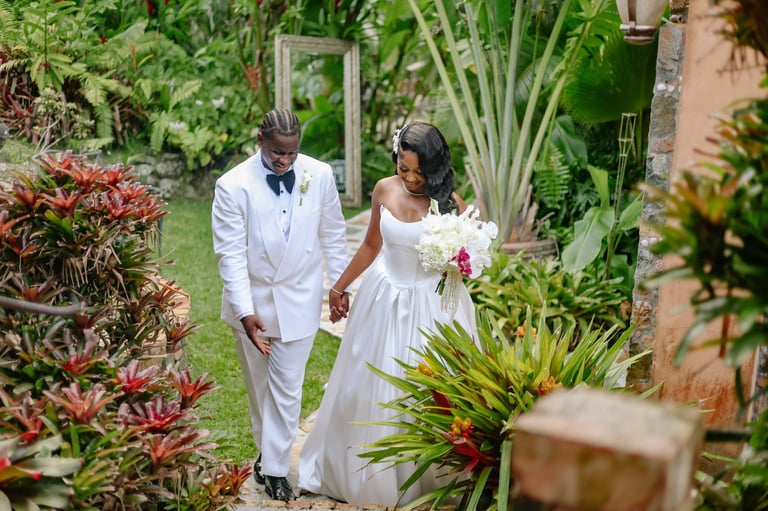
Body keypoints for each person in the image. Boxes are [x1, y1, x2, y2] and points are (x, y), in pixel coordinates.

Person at [298, 121, 477, 506]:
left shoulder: (451, 204)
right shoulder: (384, 190)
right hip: (385, 301)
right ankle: (370, 477)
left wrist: (463, 262)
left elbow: (467, 262)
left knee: (427, 393)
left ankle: (432, 478)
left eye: (420, 171)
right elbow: (369, 245)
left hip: (433, 308)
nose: (412, 179)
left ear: (436, 166)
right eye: (403, 169)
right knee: (368, 388)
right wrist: (339, 286)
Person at [212, 108, 348, 502]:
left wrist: (339, 288)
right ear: (260, 142)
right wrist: (244, 310)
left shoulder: (319, 175)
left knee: (287, 388)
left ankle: (273, 469)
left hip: (300, 300)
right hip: (251, 305)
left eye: (291, 153)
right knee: (261, 392)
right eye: (276, 153)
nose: (284, 160)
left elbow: (334, 234)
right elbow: (231, 255)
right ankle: (267, 455)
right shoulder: (232, 185)